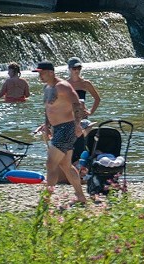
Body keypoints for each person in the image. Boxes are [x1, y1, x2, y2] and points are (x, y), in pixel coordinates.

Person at [34, 61, 87, 204]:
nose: (40, 76)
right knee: (65, 166)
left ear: (51, 72)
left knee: (51, 164)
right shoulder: (47, 88)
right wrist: (47, 125)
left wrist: (77, 124)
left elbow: (77, 103)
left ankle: (46, 200)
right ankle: (80, 197)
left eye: (42, 73)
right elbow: (48, 109)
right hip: (57, 129)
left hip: (66, 128)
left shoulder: (62, 86)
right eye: (39, 73)